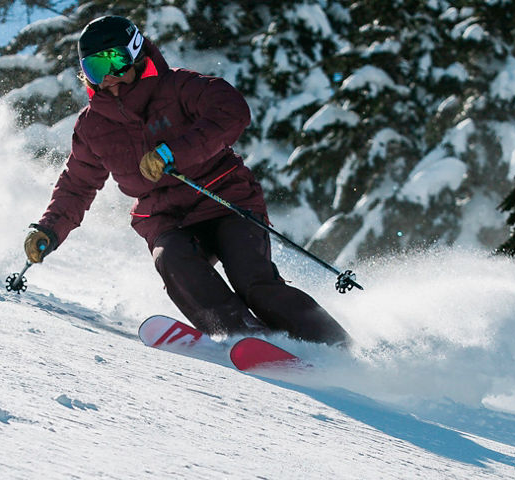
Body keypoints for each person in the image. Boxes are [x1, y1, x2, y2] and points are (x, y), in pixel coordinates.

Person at [24, 15, 350, 346]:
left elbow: (232, 110)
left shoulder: (179, 87)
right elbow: (77, 184)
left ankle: (334, 344)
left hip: (225, 200)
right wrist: (49, 229)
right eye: (96, 68)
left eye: (116, 61)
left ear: (136, 53)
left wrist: (173, 153)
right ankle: (242, 335)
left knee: (253, 281)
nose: (109, 76)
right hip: (166, 218)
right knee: (174, 263)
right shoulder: (93, 126)